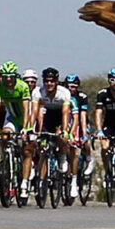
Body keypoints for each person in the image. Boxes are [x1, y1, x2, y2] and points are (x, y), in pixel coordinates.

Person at [29, 67, 73, 197]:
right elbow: (34, 112)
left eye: (52, 81)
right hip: (48, 117)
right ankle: (42, 179)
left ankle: (62, 156)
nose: (49, 84)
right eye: (47, 81)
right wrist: (30, 128)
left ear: (56, 82)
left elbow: (65, 113)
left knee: (60, 136)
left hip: (61, 116)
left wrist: (65, 131)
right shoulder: (38, 92)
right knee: (42, 145)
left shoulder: (64, 93)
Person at [0, 63, 34, 196]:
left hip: (24, 118)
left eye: (11, 77)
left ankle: (24, 182)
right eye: (5, 77)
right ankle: (5, 160)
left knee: (27, 149)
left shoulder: (22, 86)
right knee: (4, 135)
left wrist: (25, 128)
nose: (8, 80)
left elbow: (26, 109)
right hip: (11, 118)